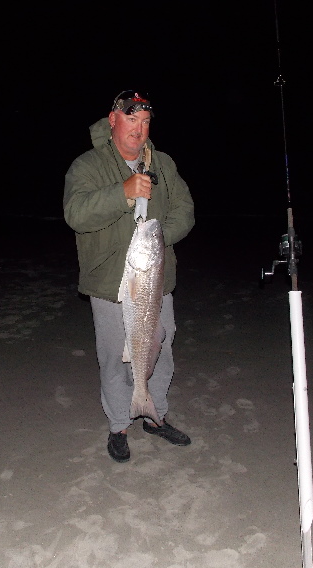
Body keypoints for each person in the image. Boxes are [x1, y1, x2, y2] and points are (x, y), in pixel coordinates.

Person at [63, 90, 195, 462]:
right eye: (131, 119)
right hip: (108, 282)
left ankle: (155, 414)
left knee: (159, 348)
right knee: (115, 358)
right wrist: (122, 192)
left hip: (155, 279)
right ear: (113, 120)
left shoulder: (163, 164)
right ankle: (120, 424)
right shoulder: (87, 166)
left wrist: (160, 238)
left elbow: (185, 209)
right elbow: (76, 213)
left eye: (145, 121)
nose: (139, 129)